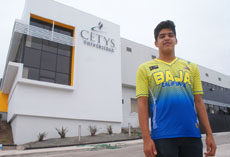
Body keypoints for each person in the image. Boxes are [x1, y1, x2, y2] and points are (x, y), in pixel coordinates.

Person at [136, 20, 216, 157]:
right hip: (163, 136)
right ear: (156, 43)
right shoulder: (145, 69)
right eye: (162, 36)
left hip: (192, 134)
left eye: (170, 35)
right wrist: (146, 139)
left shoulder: (191, 67)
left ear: (176, 40)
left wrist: (209, 134)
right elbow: (142, 103)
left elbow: (199, 102)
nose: (167, 38)